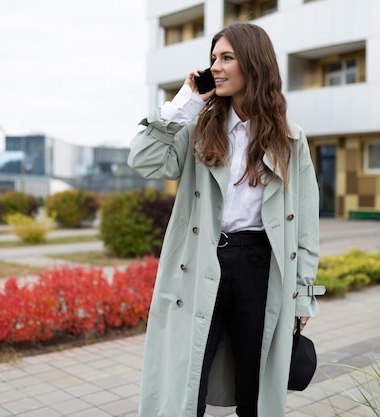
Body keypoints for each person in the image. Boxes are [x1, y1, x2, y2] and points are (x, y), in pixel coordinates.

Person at [128, 22, 321, 417]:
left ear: (254, 64)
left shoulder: (290, 138)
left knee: (256, 389)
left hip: (260, 267)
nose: (215, 66)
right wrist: (184, 103)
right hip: (202, 260)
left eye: (227, 58)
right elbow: (144, 161)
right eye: (213, 58)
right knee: (187, 383)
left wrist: (303, 293)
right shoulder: (198, 126)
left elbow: (305, 223)